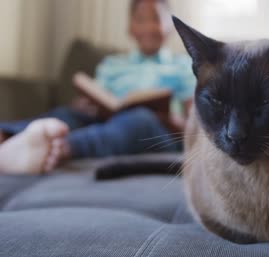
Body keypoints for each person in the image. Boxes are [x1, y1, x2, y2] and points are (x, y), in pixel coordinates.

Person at [0, 0, 195, 175]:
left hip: (157, 132)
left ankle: (61, 148)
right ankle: (8, 136)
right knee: (68, 113)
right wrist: (86, 105)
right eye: (141, 19)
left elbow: (195, 125)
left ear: (171, 26)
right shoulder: (112, 65)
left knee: (139, 120)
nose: (149, 27)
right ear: (130, 27)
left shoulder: (184, 66)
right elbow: (100, 98)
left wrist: (172, 121)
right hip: (107, 121)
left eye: (156, 19)